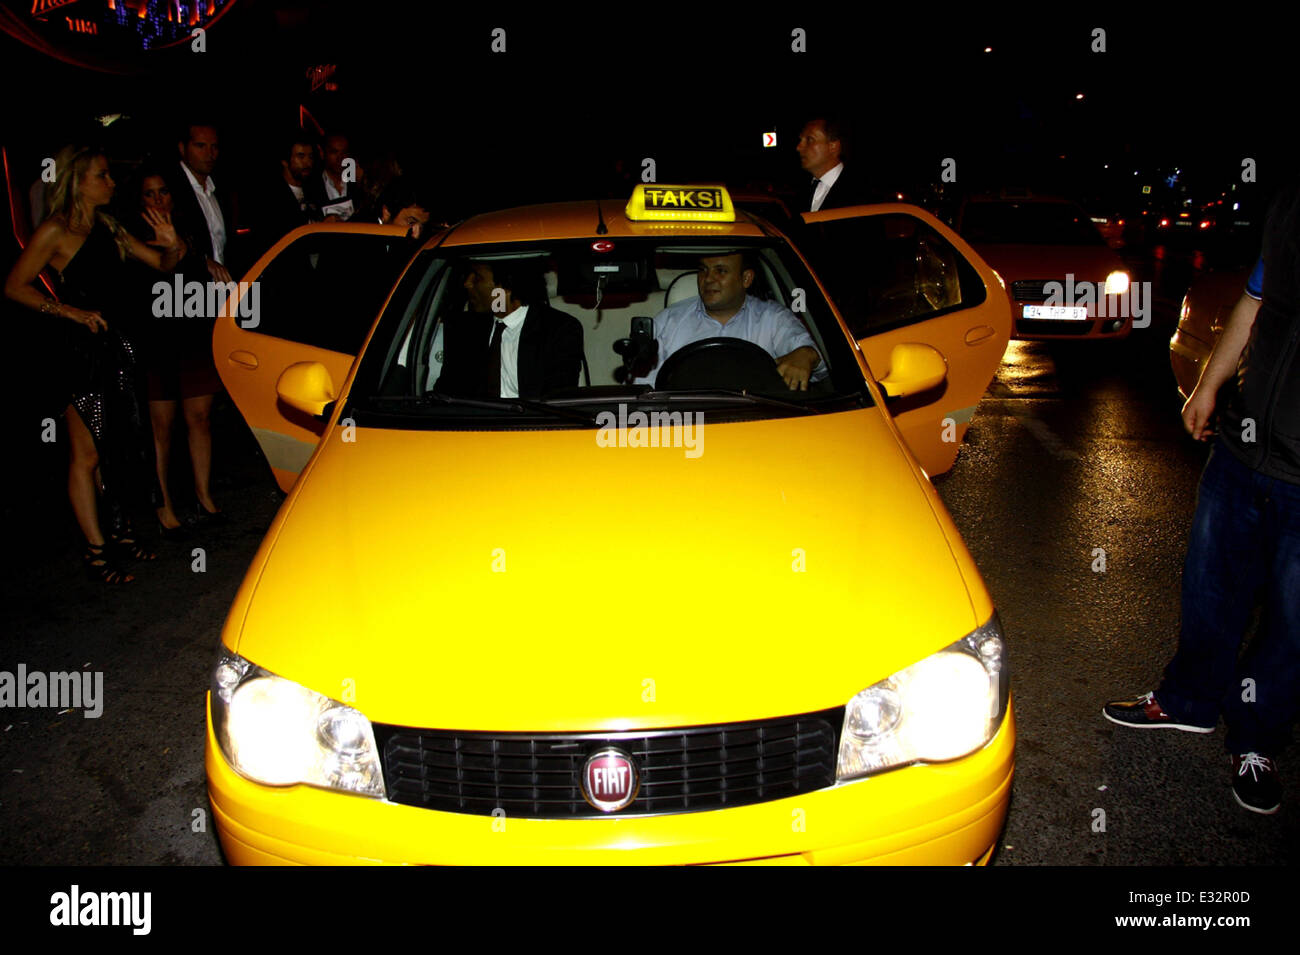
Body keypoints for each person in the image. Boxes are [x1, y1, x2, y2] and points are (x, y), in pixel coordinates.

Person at [1103, 181, 1300, 815]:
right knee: (1210, 586)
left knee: (1293, 622)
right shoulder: (1290, 201)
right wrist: (1209, 387)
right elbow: (1253, 300)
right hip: (1244, 447)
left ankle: (1257, 739)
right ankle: (1187, 702)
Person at [3, 146, 188, 583]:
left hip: (119, 347)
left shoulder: (108, 225)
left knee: (117, 445)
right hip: (79, 353)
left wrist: (173, 244)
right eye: (102, 175)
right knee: (85, 454)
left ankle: (120, 530)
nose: (111, 182)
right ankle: (96, 552)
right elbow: (15, 285)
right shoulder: (55, 230)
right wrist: (68, 311)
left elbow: (163, 265)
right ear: (79, 181)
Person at [126, 165, 227, 537]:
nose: (158, 200)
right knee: (161, 426)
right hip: (156, 339)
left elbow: (199, 268)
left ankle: (204, 497)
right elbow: (156, 274)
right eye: (149, 194)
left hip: (192, 330)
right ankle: (163, 505)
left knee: (200, 418)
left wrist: (202, 259)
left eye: (163, 191)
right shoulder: (131, 236)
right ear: (139, 200)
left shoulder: (187, 226)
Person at [638, 251, 825, 390]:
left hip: (757, 424)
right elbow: (642, 391)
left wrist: (806, 355)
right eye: (703, 270)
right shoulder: (668, 321)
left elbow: (818, 364)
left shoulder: (773, 319)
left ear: (746, 278)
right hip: (686, 425)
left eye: (720, 271)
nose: (708, 279)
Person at [436, 259, 583, 400]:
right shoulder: (462, 329)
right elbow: (447, 391)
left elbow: (558, 398)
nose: (467, 284)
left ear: (505, 288)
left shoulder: (559, 330)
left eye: (477, 278)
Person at [248, 131, 319, 257]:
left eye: (311, 157)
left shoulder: (315, 190)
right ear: (285, 161)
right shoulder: (269, 197)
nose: (308, 163)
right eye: (301, 156)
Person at [795, 116, 876, 212]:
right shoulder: (799, 189)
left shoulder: (860, 192)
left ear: (833, 146)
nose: (799, 147)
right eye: (801, 140)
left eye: (810, 140)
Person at [308, 132, 362, 221]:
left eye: (344, 153)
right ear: (322, 153)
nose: (340, 158)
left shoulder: (356, 183)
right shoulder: (312, 186)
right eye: (334, 152)